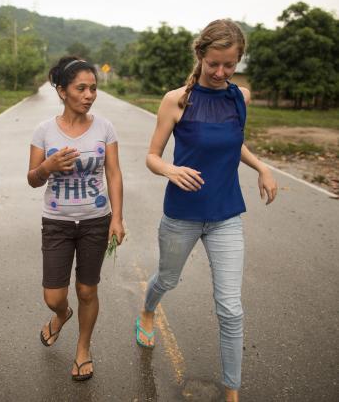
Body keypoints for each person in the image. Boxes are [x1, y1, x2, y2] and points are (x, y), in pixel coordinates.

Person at [134, 20, 278, 401]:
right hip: (181, 214)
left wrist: (262, 167)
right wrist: (170, 168)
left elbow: (233, 145)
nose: (220, 73)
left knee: (230, 308)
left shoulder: (239, 97)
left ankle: (232, 391)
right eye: (214, 63)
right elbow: (151, 156)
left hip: (226, 214)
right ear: (200, 56)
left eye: (229, 65)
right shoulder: (176, 100)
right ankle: (147, 311)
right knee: (166, 279)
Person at [27, 56, 125, 381]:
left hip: (96, 220)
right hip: (56, 222)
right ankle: (61, 315)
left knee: (87, 290)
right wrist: (47, 167)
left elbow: (113, 172)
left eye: (93, 88)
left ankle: (83, 348)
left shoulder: (104, 127)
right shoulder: (43, 131)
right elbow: (32, 179)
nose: (89, 95)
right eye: (81, 88)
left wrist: (118, 218)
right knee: (53, 296)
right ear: (62, 90)